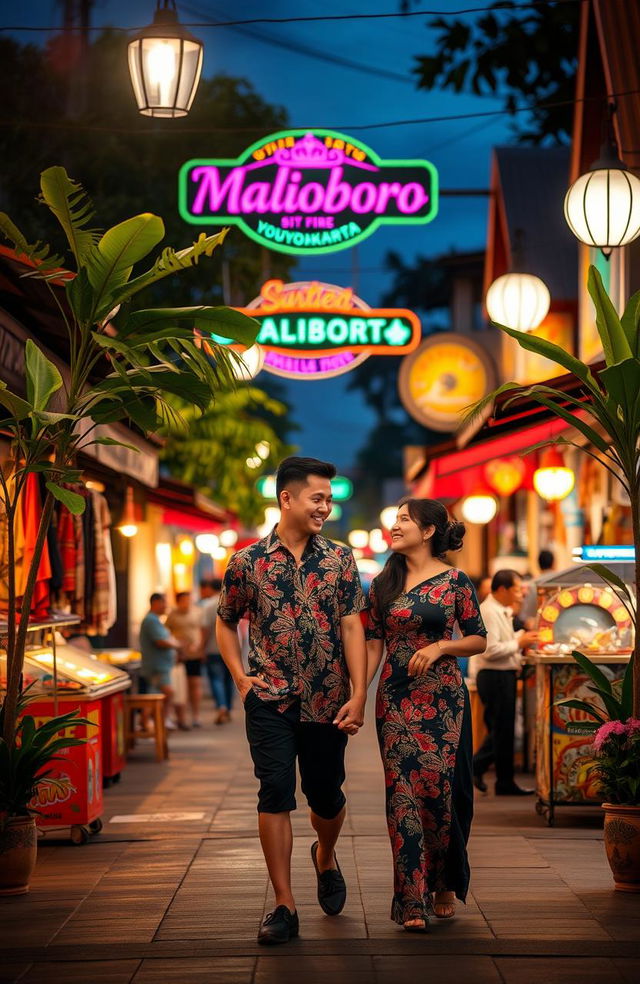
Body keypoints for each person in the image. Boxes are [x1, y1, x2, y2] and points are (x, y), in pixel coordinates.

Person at [216, 456, 367, 946]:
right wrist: (240, 677)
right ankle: (284, 903)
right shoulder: (247, 562)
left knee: (326, 795)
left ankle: (325, 855)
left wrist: (360, 693)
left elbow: (351, 626)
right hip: (269, 699)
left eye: (329, 498)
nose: (326, 506)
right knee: (274, 791)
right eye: (317, 498)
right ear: (287, 498)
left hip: (327, 699)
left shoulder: (340, 560)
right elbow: (225, 619)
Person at [365, 498, 487, 932]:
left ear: (429, 530)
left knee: (445, 794)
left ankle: (445, 882)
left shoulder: (455, 581)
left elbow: (478, 640)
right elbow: (373, 643)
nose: (395, 526)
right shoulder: (383, 582)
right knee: (402, 795)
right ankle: (410, 898)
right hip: (396, 700)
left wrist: (440, 647)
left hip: (445, 701)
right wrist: (357, 694)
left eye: (404, 519)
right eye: (395, 519)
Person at [471, 570, 539, 796]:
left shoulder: (500, 611)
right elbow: (490, 651)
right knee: (502, 730)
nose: (520, 595)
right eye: (517, 589)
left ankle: (501, 780)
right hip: (494, 675)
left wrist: (519, 646)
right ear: (502, 589)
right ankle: (482, 770)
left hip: (502, 675)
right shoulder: (489, 612)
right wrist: (519, 642)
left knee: (502, 730)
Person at [139, 592, 179, 729]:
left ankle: (148, 723)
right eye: (164, 602)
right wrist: (177, 645)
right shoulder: (151, 620)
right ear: (155, 603)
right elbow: (161, 641)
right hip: (156, 666)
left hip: (160, 665)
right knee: (165, 693)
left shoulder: (154, 619)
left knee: (155, 695)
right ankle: (155, 722)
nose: (166, 606)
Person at [166, 591, 204, 729]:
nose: (186, 603)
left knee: (195, 684)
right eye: (184, 600)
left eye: (188, 600)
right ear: (178, 602)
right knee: (179, 687)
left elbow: (202, 631)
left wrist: (199, 647)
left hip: (194, 654)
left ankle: (196, 715)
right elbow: (167, 632)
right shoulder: (172, 615)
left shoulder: (198, 612)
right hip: (178, 655)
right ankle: (181, 717)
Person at [199, 577, 234, 724]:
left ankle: (221, 706)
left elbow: (205, 629)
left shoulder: (208, 605)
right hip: (231, 649)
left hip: (213, 649)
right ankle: (228, 708)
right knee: (229, 678)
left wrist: (202, 647)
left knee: (216, 679)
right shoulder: (231, 602)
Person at [519, 549, 556, 627]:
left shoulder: (532, 584)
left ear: (538, 565)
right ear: (553, 563)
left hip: (538, 628)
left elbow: (524, 616)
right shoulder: (561, 582)